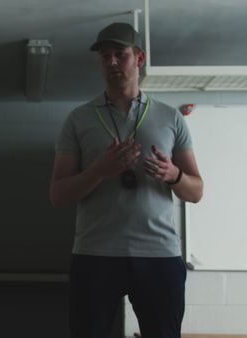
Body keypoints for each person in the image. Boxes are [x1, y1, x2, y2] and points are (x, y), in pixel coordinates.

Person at [49, 22, 203, 338]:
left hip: (159, 254)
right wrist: (98, 171)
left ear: (139, 58)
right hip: (95, 253)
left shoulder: (170, 117)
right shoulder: (79, 119)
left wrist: (173, 175)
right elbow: (58, 195)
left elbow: (196, 190)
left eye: (120, 54)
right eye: (105, 57)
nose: (112, 63)